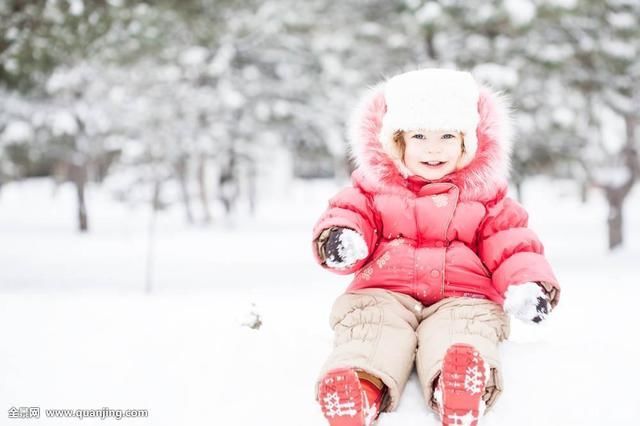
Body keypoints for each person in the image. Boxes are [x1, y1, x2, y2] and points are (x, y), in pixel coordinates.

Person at [311, 68, 560, 426]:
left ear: (467, 141)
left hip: (463, 296)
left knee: (465, 329)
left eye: (447, 135)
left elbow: (512, 243)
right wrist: (341, 239)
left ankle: (457, 386)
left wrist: (527, 285)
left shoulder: (486, 196)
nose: (433, 147)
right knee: (371, 327)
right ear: (398, 141)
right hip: (385, 291)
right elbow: (350, 214)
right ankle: (358, 388)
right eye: (419, 135)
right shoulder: (372, 188)